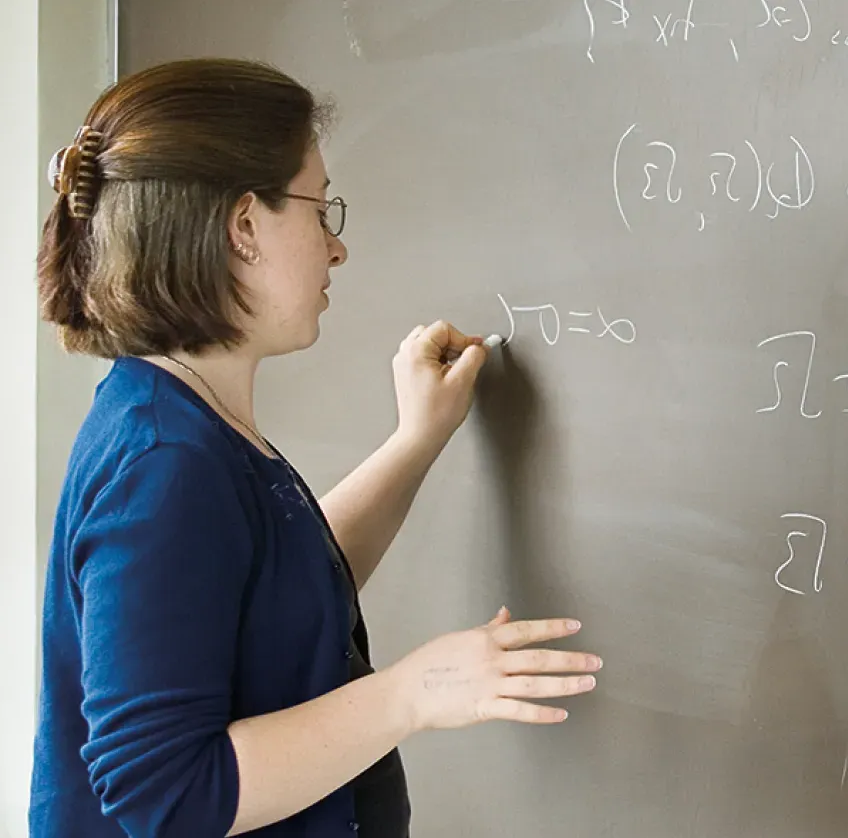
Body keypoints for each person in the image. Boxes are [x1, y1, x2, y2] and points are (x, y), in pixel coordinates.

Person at [27, 57, 602, 838]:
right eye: (318, 209)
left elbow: (276, 587)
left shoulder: (187, 421)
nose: (336, 249)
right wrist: (412, 694)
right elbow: (164, 793)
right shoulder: (162, 466)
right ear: (243, 227)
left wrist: (415, 440)